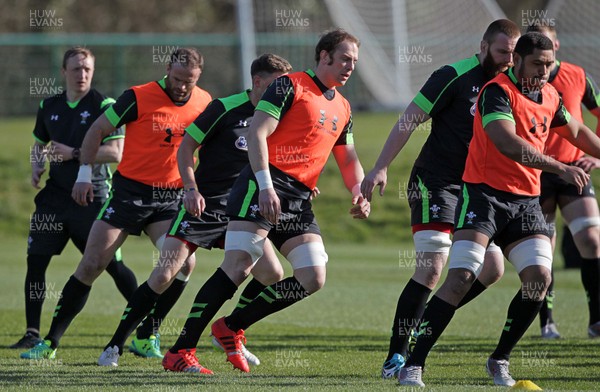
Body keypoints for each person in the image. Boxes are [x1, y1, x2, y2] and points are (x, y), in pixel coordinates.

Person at [161, 28, 369, 374]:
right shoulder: (289, 86)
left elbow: (347, 158)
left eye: (354, 61)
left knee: (313, 276)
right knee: (239, 265)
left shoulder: (344, 107)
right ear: (324, 56)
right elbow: (258, 132)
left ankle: (231, 326)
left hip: (299, 199)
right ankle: (180, 350)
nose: (350, 66)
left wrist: (358, 191)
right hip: (261, 186)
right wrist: (266, 186)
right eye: (345, 58)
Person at [398, 32, 600, 387]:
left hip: (526, 204)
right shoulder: (496, 92)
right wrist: (559, 166)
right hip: (483, 199)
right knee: (460, 277)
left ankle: (499, 359)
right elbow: (507, 142)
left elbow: (578, 130)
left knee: (539, 279)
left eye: (549, 64)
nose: (543, 71)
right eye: (537, 63)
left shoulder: (550, 95)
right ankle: (413, 363)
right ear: (517, 60)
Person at [96, 54, 293, 370]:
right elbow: (186, 147)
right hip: (204, 204)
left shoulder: (280, 114)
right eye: (277, 85)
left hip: (241, 210)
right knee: (163, 275)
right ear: (258, 81)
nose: (283, 92)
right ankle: (115, 345)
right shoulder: (224, 108)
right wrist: (190, 188)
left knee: (272, 273)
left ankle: (231, 331)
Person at [20, 47, 212, 360]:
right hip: (128, 194)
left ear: (198, 77)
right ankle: (50, 343)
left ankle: (146, 336)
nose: (181, 86)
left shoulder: (204, 102)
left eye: (188, 81)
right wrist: (84, 173)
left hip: (168, 198)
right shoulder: (137, 97)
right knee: (92, 263)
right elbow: (97, 130)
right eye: (176, 78)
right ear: (167, 69)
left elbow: (211, 147)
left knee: (182, 264)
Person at [361, 19, 520, 378]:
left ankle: (425, 321)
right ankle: (396, 357)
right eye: (501, 53)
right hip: (436, 182)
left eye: (513, 55)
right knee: (432, 267)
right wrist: (381, 167)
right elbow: (409, 120)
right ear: (483, 46)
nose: (508, 61)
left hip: (479, 189)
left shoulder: (511, 84)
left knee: (491, 270)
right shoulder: (453, 75)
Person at [10, 47, 137, 350]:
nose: (82, 74)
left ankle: (147, 326)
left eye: (87, 69)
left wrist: (74, 153)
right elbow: (38, 144)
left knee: (110, 265)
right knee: (35, 262)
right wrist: (36, 165)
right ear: (63, 72)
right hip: (54, 198)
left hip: (91, 199)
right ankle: (31, 332)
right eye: (76, 69)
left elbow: (115, 153)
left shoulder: (105, 105)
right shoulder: (49, 104)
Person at [526, 24, 600, 339]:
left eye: (550, 44)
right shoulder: (519, 81)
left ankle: (596, 320)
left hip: (573, 170)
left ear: (556, 43)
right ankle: (547, 323)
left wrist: (597, 156)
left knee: (592, 240)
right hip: (537, 173)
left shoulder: (578, 75)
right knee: (544, 249)